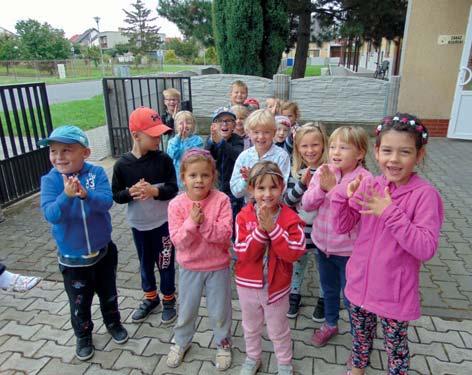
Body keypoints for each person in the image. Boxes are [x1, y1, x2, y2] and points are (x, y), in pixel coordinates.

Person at [331, 114, 443, 375]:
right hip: (359, 284)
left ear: (419, 154)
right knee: (360, 336)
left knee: (396, 349)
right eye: (387, 151)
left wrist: (389, 211)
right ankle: (358, 367)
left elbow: (425, 247)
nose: (394, 159)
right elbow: (343, 226)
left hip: (394, 293)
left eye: (404, 152)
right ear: (376, 151)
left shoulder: (425, 196)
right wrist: (343, 197)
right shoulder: (371, 184)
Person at [40, 125, 128, 361]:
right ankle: (83, 335)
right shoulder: (50, 181)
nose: (59, 157)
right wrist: (66, 197)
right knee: (79, 302)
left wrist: (86, 196)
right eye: (53, 151)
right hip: (73, 260)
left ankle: (113, 322)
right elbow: (51, 215)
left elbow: (106, 202)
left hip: (103, 252)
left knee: (109, 293)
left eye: (66, 150)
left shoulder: (96, 174)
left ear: (85, 153)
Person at [301, 126, 372, 347]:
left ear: (360, 153)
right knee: (328, 290)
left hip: (350, 253)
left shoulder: (365, 179)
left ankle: (358, 339)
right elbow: (306, 203)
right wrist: (321, 189)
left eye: (343, 147)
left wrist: (332, 190)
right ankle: (330, 324)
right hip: (324, 247)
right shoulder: (324, 170)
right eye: (332, 147)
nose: (336, 152)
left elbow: (351, 213)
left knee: (352, 297)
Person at [234, 161, 306, 375]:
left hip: (277, 287)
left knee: (278, 329)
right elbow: (243, 253)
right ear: (251, 189)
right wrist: (260, 231)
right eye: (261, 188)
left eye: (273, 187)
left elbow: (294, 252)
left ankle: (284, 363)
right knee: (251, 326)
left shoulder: (291, 218)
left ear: (282, 186)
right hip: (247, 286)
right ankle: (253, 357)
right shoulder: (243, 217)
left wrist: (273, 229)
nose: (267, 194)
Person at [166, 149, 233, 371]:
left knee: (220, 310)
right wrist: (191, 223)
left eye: (205, 175)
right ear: (183, 176)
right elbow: (179, 242)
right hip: (190, 267)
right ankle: (181, 341)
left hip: (218, 267)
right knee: (186, 309)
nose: (199, 180)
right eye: (193, 175)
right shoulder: (176, 205)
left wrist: (202, 223)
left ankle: (223, 343)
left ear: (213, 176)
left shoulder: (221, 200)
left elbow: (224, 235)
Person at [112, 107, 179, 325]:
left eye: (160, 134)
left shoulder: (164, 160)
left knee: (166, 263)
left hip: (163, 225)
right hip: (139, 226)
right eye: (153, 135)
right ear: (136, 135)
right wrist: (130, 192)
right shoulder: (122, 165)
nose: (158, 139)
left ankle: (169, 299)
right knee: (144, 263)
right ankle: (151, 299)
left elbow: (172, 188)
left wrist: (154, 191)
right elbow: (117, 196)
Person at [283, 123, 329, 321]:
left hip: (324, 232)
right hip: (301, 231)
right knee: (298, 265)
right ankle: (294, 296)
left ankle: (323, 299)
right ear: (297, 148)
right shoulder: (294, 171)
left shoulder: (330, 170)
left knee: (323, 268)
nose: (310, 150)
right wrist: (302, 185)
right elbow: (287, 201)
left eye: (315, 145)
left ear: (324, 145)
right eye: (304, 146)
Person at [230, 109, 290, 203]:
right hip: (249, 208)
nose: (261, 136)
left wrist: (255, 179)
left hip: (273, 207)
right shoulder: (244, 157)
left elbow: (283, 186)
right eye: (256, 132)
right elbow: (235, 191)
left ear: (274, 133)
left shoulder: (281, 156)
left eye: (266, 132)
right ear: (248, 133)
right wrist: (246, 180)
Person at [205, 107, 244, 220]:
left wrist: (221, 142)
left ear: (234, 126)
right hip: (215, 188)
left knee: (232, 217)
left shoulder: (238, 140)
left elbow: (237, 155)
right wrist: (212, 142)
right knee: (215, 216)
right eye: (220, 121)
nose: (224, 124)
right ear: (214, 126)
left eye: (228, 120)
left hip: (232, 190)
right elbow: (205, 157)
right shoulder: (210, 140)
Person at [167, 110, 204, 188]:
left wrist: (186, 139)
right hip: (177, 176)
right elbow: (172, 155)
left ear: (193, 126)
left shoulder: (198, 140)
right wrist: (178, 138)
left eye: (188, 123)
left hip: (193, 173)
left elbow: (192, 155)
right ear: (176, 126)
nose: (185, 125)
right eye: (181, 123)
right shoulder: (172, 141)